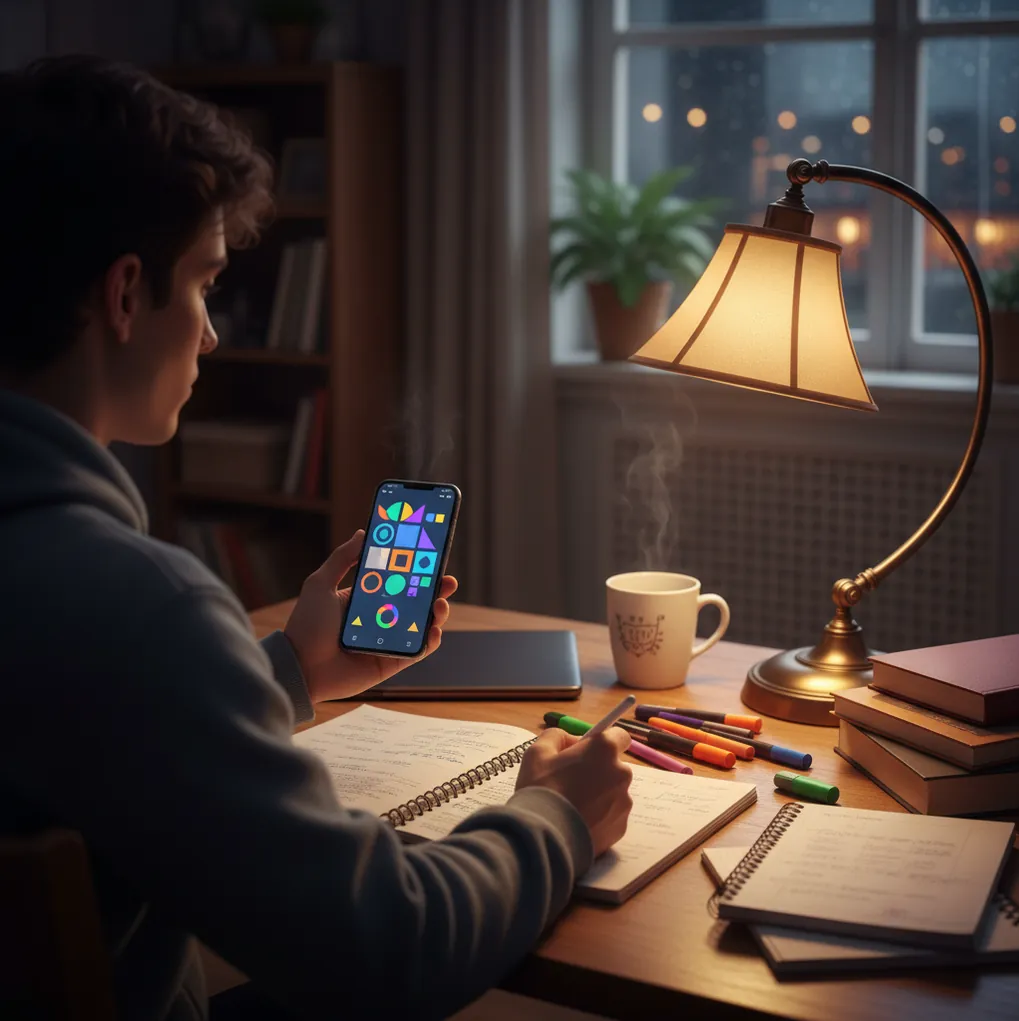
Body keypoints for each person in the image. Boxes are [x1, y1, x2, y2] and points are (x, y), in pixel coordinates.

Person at [0, 55, 634, 1021]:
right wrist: (556, 817)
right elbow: (391, 945)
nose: (211, 335)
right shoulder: (137, 608)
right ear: (127, 296)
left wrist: (291, 667)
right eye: (207, 284)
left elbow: (100, 737)